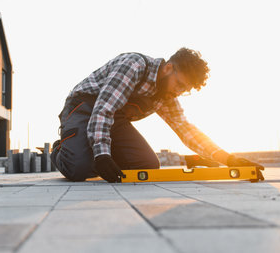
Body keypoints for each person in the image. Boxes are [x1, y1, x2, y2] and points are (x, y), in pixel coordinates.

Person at [51, 48, 264, 182]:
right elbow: (103, 109)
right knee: (79, 169)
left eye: (184, 89)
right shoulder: (134, 66)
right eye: (179, 84)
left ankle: (90, 151)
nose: (178, 92)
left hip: (113, 119)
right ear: (168, 68)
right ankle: (61, 149)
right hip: (84, 106)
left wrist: (229, 159)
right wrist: (101, 154)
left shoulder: (166, 95)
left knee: (146, 166)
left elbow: (186, 130)